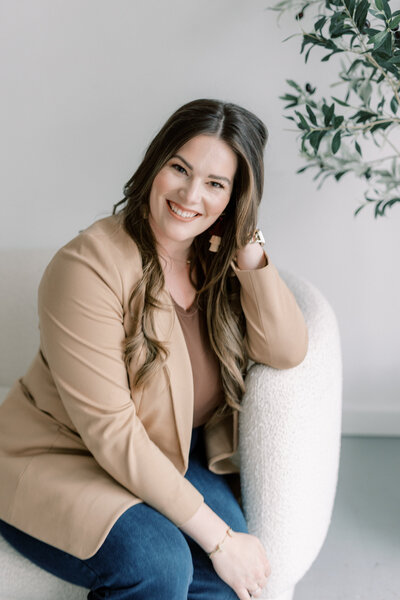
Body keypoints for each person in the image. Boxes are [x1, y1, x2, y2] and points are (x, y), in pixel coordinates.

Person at [0, 98, 308, 599]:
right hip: (60, 456)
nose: (190, 195)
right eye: (179, 169)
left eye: (215, 184)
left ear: (235, 198)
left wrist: (248, 246)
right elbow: (111, 433)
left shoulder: (217, 258)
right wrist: (220, 537)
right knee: (159, 562)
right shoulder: (86, 268)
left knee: (231, 579)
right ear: (155, 164)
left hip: (167, 454)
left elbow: (287, 350)